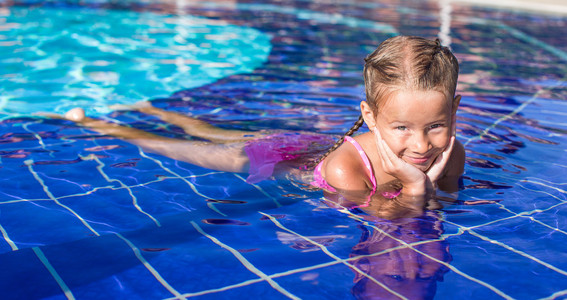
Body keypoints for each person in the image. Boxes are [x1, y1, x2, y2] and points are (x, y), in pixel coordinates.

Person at [59, 35, 464, 216]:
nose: (421, 145)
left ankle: (150, 109)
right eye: (402, 128)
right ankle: (111, 125)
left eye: (434, 126)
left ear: (454, 111)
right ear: (371, 117)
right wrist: (415, 187)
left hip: (316, 144)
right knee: (194, 147)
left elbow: (440, 206)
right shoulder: (348, 170)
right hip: (286, 156)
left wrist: (425, 186)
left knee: (211, 131)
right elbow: (396, 226)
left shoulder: (453, 151)